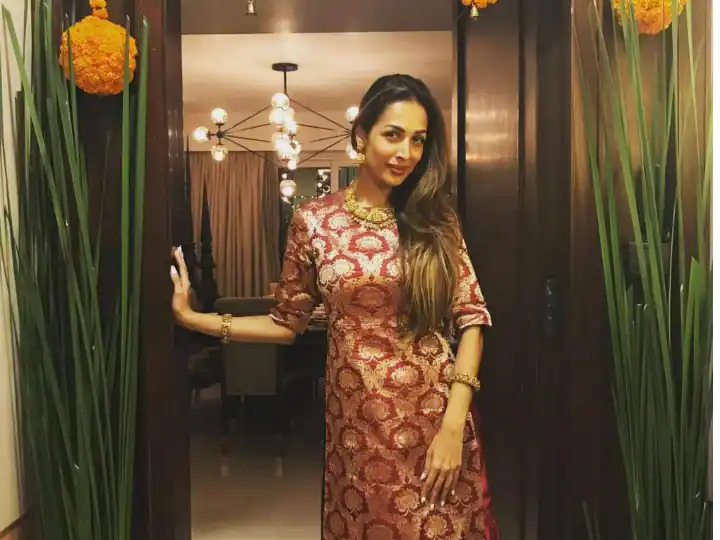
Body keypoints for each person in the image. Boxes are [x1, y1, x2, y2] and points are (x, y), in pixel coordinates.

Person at [171, 74, 498, 539]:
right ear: (361, 136)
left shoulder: (435, 220)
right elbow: (287, 322)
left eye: (418, 140)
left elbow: (472, 317)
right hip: (355, 424)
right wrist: (195, 319)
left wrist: (452, 422)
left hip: (433, 417)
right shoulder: (314, 221)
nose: (406, 152)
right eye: (393, 135)